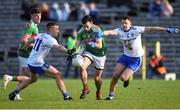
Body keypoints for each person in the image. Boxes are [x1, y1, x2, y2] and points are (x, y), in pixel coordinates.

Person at [93, 16, 178, 100]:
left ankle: (127, 78)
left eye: (126, 23)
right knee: (115, 76)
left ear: (130, 23)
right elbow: (111, 32)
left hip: (135, 59)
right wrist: (102, 33)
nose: (124, 25)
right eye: (122, 23)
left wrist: (166, 29)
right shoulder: (120, 31)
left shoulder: (136, 29)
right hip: (125, 57)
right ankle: (110, 96)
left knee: (123, 78)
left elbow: (151, 28)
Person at [8, 22, 75, 101]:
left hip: (30, 62)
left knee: (32, 79)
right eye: (56, 29)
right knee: (58, 75)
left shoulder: (41, 35)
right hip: (38, 63)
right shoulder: (50, 39)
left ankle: (14, 92)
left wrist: (24, 48)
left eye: (58, 29)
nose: (58, 31)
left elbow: (30, 41)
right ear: (50, 29)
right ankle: (66, 96)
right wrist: (68, 51)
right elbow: (58, 47)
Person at [2, 8, 41, 100]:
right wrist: (36, 45)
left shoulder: (33, 25)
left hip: (26, 54)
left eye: (40, 16)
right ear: (31, 16)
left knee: (25, 76)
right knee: (32, 78)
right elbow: (24, 40)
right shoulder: (31, 26)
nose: (38, 18)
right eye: (36, 16)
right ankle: (10, 77)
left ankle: (16, 94)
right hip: (25, 54)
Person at [73, 15, 107, 100]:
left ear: (91, 23)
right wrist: (72, 52)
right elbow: (76, 45)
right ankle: (85, 88)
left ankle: (98, 91)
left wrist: (93, 43)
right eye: (84, 26)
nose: (85, 28)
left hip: (100, 54)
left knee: (97, 79)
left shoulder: (96, 30)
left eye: (87, 26)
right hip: (89, 52)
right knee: (82, 66)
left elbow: (99, 45)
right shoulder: (81, 31)